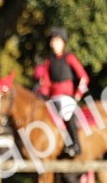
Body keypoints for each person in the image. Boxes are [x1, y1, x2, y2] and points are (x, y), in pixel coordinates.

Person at [37, 27, 90, 157]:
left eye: (55, 40)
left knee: (67, 114)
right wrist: (41, 93)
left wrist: (78, 94)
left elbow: (84, 77)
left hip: (67, 97)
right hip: (52, 98)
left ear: (63, 42)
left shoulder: (69, 57)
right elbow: (46, 82)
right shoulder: (49, 61)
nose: (52, 44)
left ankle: (75, 145)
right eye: (52, 41)